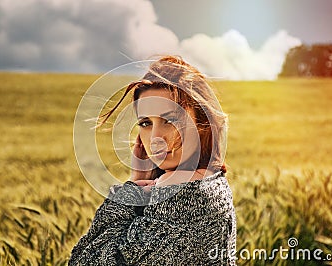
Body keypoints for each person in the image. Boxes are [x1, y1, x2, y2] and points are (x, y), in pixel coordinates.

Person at [69, 55, 236, 265]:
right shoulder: (212, 182)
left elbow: (84, 261)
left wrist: (130, 193)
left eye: (170, 120)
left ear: (202, 122)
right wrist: (138, 183)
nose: (156, 138)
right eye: (146, 123)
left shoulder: (186, 195)